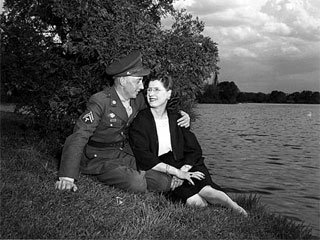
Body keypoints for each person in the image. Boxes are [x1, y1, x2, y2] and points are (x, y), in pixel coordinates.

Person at [55, 51, 190, 193]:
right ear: (123, 80)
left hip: (124, 153)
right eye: (138, 80)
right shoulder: (100, 101)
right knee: (136, 183)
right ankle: (103, 174)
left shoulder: (137, 99)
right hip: (99, 157)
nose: (142, 87)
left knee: (163, 182)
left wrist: (181, 115)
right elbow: (79, 135)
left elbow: (159, 107)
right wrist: (67, 177)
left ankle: (137, 176)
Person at [129, 73, 248, 216]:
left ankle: (235, 207)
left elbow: (194, 150)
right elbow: (144, 156)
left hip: (188, 162)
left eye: (156, 90)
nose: (151, 94)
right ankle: (209, 206)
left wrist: (185, 169)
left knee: (207, 190)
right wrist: (177, 173)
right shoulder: (140, 121)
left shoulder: (178, 118)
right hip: (164, 166)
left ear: (168, 94)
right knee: (197, 202)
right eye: (149, 90)